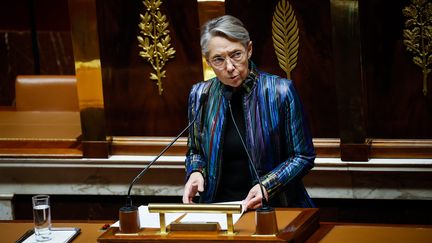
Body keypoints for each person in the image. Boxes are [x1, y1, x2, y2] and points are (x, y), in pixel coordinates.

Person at [182, 15, 315, 210]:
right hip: (219, 208)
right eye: (218, 59)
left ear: (249, 50)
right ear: (208, 62)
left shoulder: (280, 92)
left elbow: (303, 156)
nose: (229, 67)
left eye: (236, 55)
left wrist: (267, 186)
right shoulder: (200, 94)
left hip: (273, 207)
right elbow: (195, 151)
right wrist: (196, 172)